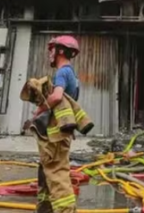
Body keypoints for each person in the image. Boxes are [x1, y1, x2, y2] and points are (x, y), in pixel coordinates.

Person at [21, 35, 93, 213]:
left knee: (56, 173)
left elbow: (57, 96)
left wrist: (39, 110)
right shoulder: (71, 74)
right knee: (47, 172)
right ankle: (45, 209)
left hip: (56, 136)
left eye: (52, 49)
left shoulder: (63, 72)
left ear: (61, 51)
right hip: (57, 135)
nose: (50, 54)